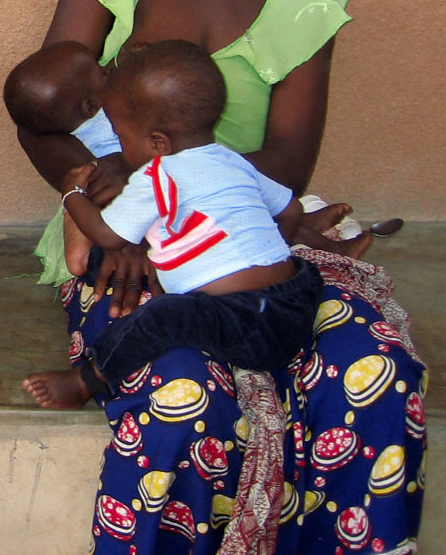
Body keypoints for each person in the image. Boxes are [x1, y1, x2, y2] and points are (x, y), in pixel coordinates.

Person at [15, 0, 425, 555]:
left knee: (374, 366)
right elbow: (43, 110)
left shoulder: (306, 1)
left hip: (249, 230)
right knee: (183, 392)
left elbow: (287, 159)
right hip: (121, 235)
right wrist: (89, 189)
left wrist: (190, 189)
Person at [21, 41, 327, 409]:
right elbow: (290, 211)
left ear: (158, 143)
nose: (120, 143)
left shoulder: (157, 176)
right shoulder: (232, 161)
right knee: (299, 268)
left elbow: (106, 235)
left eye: (122, 136)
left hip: (236, 318)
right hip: (295, 302)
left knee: (159, 317)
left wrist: (72, 193)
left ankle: (86, 380)